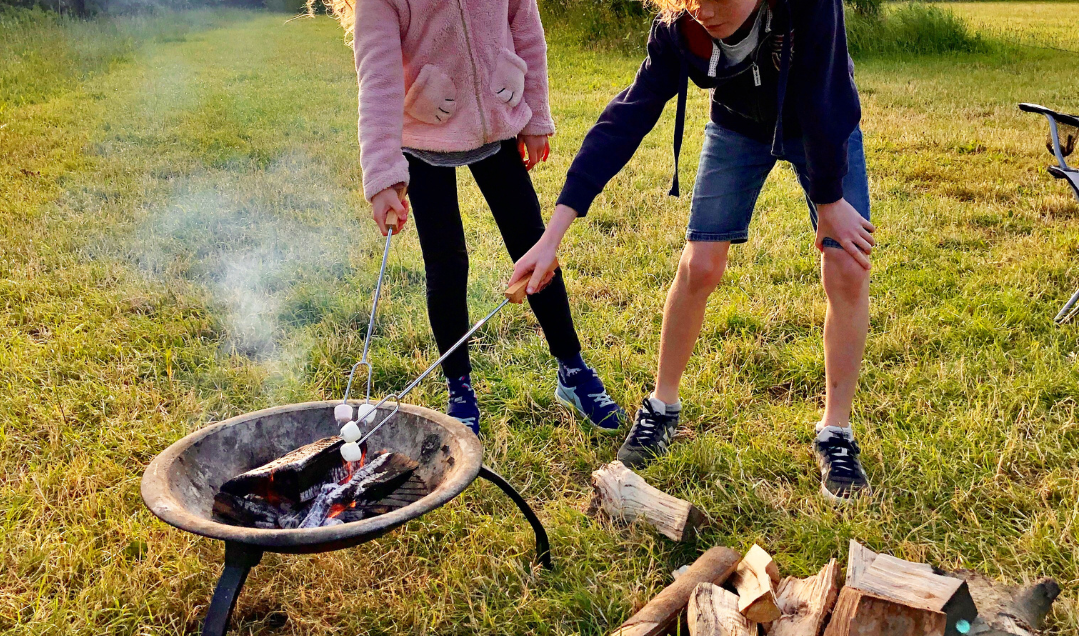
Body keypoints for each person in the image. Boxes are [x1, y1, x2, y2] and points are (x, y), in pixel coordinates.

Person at [509, 0, 875, 502]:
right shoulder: (682, 26)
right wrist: (551, 237)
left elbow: (823, 90)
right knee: (700, 265)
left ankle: (835, 433)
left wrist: (829, 199)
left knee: (847, 267)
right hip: (738, 126)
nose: (703, 8)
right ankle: (661, 407)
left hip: (825, 124)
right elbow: (626, 119)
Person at [331, 0, 626, 435]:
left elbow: (525, 27)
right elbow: (378, 79)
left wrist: (535, 114)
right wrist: (382, 176)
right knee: (447, 265)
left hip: (497, 117)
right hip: (424, 134)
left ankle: (572, 368)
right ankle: (459, 388)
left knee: (532, 244)